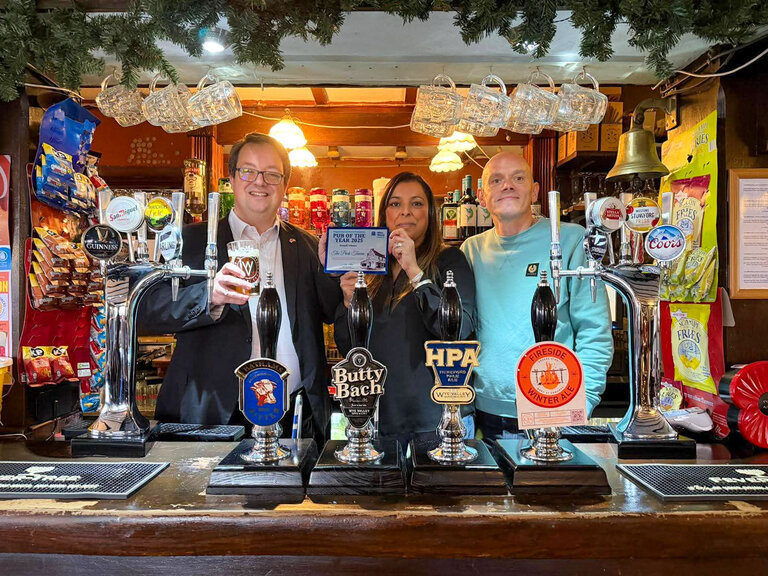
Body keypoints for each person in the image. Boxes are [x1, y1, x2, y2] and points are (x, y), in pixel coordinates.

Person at [138, 133, 342, 444]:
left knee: (294, 495)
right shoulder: (189, 240)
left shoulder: (308, 245)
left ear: (284, 185)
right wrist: (210, 296)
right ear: (232, 179)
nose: (260, 182)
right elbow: (146, 310)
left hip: (294, 410)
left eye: (272, 174)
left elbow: (330, 312)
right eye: (248, 171)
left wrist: (341, 280)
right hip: (215, 412)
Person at [460, 152, 613, 442]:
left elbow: (594, 329)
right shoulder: (471, 250)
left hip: (556, 409)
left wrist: (585, 399)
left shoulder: (569, 239)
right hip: (486, 412)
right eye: (497, 180)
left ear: (535, 190)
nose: (508, 186)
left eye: (518, 178)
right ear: (481, 196)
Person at [326, 172, 477, 448]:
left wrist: (415, 272)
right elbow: (350, 346)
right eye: (395, 204)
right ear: (384, 214)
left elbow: (460, 330)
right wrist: (349, 303)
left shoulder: (449, 260)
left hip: (438, 419)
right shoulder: (370, 270)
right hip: (379, 417)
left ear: (430, 213)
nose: (405, 211)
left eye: (417, 203)